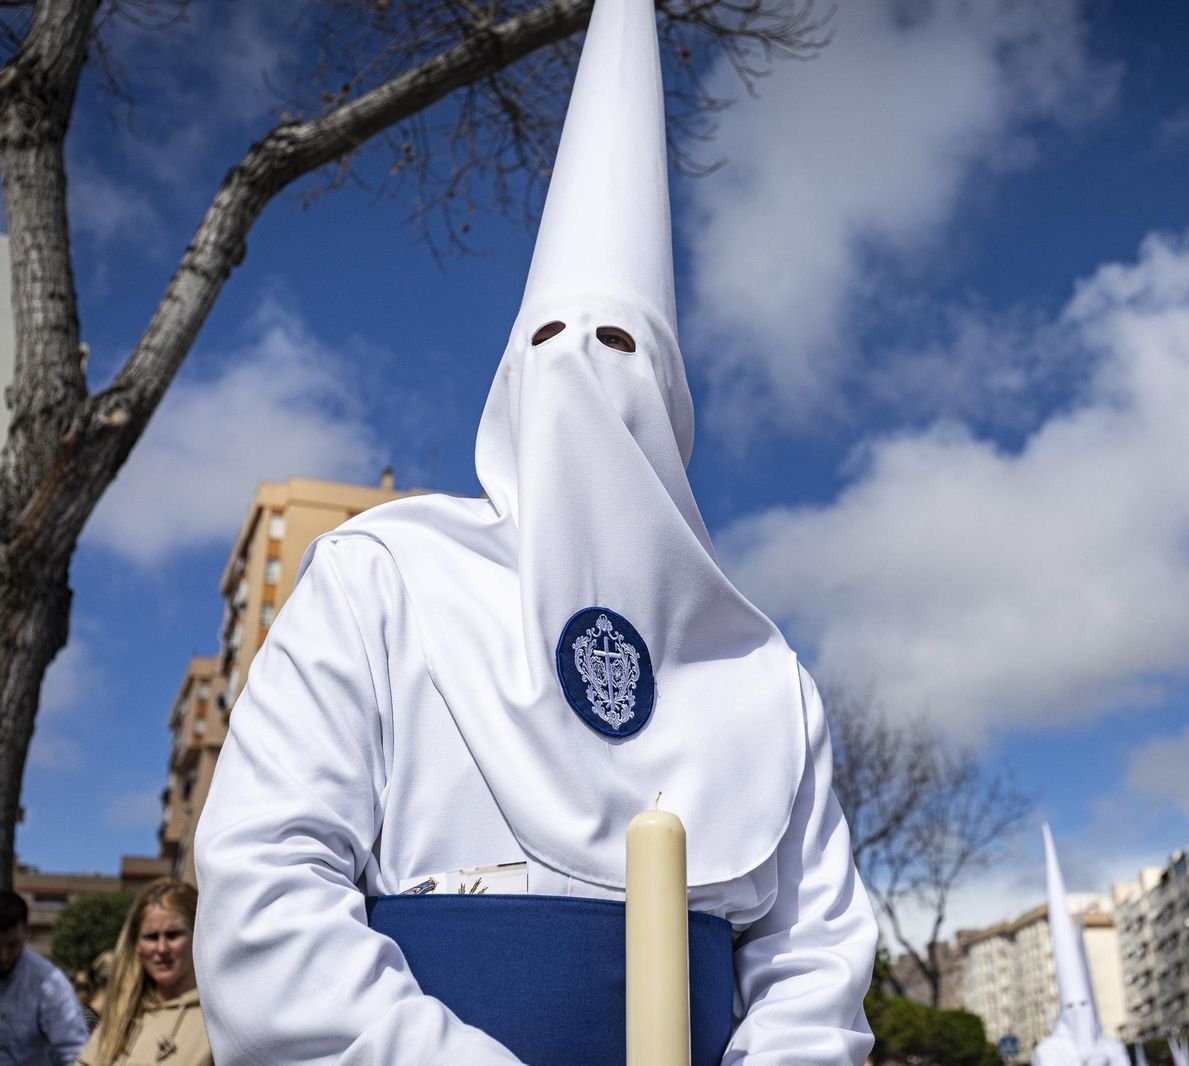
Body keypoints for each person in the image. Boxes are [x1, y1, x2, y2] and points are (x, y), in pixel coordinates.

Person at [193, 0, 876, 1063]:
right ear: (510, 384)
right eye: (554, 341)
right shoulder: (382, 576)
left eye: (622, 347)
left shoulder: (763, 676)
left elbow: (812, 965)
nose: (586, 375)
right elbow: (268, 883)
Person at [75, 879, 211, 1066]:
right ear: (136, 945)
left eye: (173, 935)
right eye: (151, 937)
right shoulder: (121, 1017)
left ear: (198, 935)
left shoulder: (217, 1021)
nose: (162, 948)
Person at [0, 889, 86, 1065]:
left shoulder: (49, 983)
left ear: (26, 933)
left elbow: (74, 1051)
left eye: (12, 945)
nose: (3, 956)